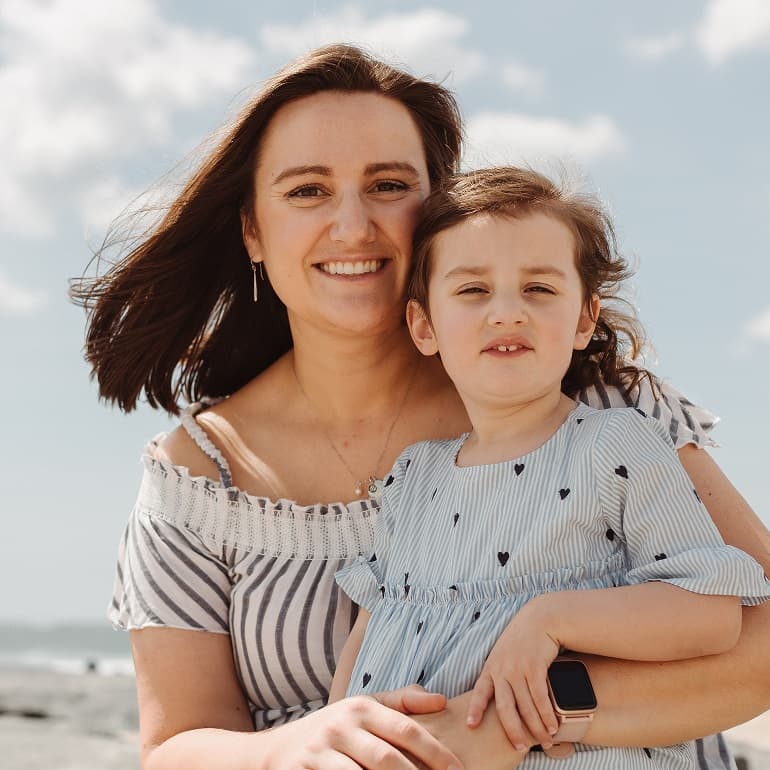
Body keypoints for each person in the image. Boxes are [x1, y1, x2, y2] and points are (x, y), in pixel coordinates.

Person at [71, 44, 770, 770]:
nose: (352, 226)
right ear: (253, 228)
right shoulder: (197, 478)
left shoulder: (585, 402)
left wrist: (511, 724)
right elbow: (175, 749)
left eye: (388, 184)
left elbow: (757, 636)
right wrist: (291, 746)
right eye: (307, 190)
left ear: (437, 205)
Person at [328, 166, 770, 768]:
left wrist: (552, 617)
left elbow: (711, 612)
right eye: (472, 290)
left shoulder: (618, 445)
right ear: (424, 325)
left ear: (585, 319)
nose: (507, 312)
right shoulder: (413, 477)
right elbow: (372, 631)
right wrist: (332, 734)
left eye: (538, 289)